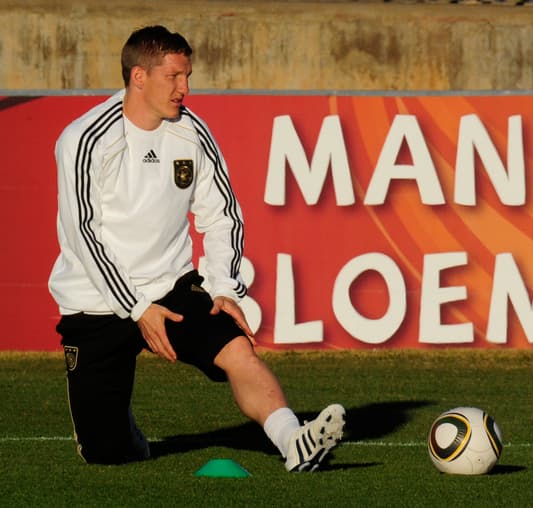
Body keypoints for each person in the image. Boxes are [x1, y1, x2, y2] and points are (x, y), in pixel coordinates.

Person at [49, 25, 345, 471]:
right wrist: (136, 308)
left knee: (237, 348)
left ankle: (293, 441)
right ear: (139, 77)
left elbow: (222, 215)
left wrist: (225, 287)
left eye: (187, 76)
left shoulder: (192, 133)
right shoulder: (84, 139)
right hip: (98, 301)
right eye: (174, 77)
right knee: (107, 454)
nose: (185, 88)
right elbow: (83, 236)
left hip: (170, 284)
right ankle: (118, 430)